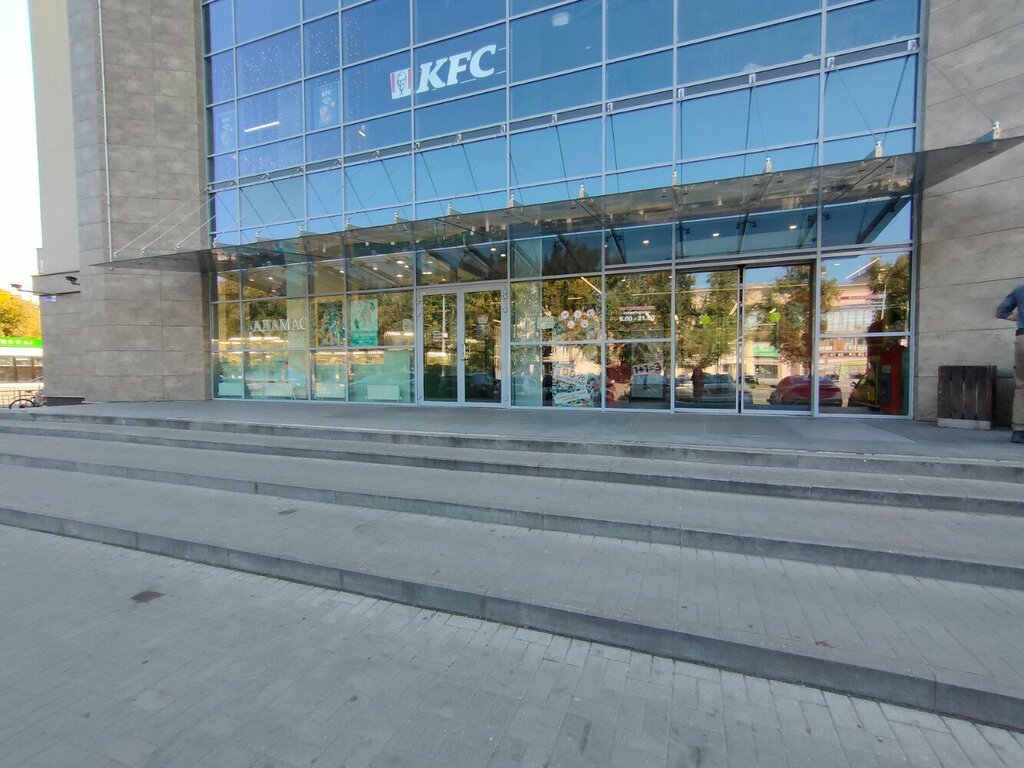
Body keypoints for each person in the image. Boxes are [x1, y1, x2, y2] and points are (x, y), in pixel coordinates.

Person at [996, 281, 1024, 443]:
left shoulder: (1020, 289)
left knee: (1021, 385)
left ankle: (1019, 431)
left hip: (1022, 339)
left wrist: (1019, 317)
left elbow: (1001, 311)